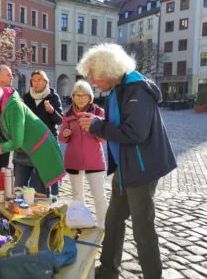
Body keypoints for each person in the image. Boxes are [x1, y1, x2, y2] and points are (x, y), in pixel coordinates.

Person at [76, 43, 177, 279]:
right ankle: (109, 268)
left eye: (95, 77)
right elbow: (119, 125)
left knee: (143, 229)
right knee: (113, 220)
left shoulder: (136, 91)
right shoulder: (120, 89)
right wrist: (98, 124)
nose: (93, 83)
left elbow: (135, 133)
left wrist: (98, 126)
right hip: (127, 166)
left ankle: (153, 276)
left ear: (108, 71)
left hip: (141, 170)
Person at [0, 82, 65, 189]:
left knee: (38, 195)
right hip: (22, 152)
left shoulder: (14, 106)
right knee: (18, 191)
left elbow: (16, 141)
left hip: (41, 149)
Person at [58, 80, 107, 229]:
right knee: (77, 195)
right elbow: (61, 138)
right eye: (77, 95)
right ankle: (82, 221)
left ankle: (103, 224)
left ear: (90, 97)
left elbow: (103, 139)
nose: (80, 98)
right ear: (73, 97)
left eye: (83, 95)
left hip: (95, 160)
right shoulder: (68, 114)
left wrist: (93, 128)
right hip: (74, 160)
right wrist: (65, 134)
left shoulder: (98, 113)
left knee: (99, 195)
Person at [15, 70, 63, 196]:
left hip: (47, 143)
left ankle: (49, 201)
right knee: (20, 184)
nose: (36, 83)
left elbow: (59, 120)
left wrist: (52, 111)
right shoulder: (26, 97)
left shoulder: (53, 97)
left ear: (46, 81)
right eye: (33, 81)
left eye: (39, 80)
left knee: (42, 181)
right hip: (29, 144)